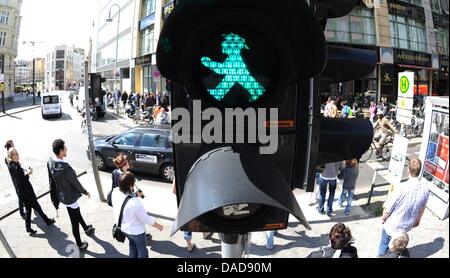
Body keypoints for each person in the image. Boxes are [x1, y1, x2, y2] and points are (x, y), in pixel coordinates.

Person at [47, 139, 95, 252]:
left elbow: (50, 180)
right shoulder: (65, 168)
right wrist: (85, 191)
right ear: (60, 151)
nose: (67, 149)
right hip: (70, 196)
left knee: (76, 212)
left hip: (62, 195)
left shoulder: (50, 161)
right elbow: (76, 183)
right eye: (65, 148)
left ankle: (86, 228)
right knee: (74, 222)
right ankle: (79, 244)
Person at [377, 158, 430, 257]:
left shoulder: (401, 187)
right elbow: (422, 207)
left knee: (383, 246)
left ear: (408, 170)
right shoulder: (425, 189)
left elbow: (388, 208)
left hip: (392, 225)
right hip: (407, 225)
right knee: (398, 246)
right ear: (420, 171)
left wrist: (383, 218)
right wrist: (417, 220)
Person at [112, 172, 164, 258]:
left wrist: (135, 194)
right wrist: (158, 226)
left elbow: (125, 197)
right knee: (142, 250)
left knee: (132, 246)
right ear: (131, 186)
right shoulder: (135, 203)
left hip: (123, 228)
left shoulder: (115, 192)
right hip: (137, 232)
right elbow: (146, 218)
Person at [7, 148, 55, 235]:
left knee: (28, 209)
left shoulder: (12, 164)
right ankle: (47, 220)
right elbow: (21, 181)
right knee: (37, 206)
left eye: (17, 152)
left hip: (22, 192)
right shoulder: (16, 167)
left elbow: (19, 177)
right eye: (16, 153)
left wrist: (24, 172)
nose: (18, 154)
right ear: (12, 156)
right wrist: (28, 173)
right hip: (26, 192)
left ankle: (28, 227)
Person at [4, 140, 26, 219]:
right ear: (10, 145)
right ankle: (22, 213)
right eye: (13, 143)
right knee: (20, 196)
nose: (14, 144)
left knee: (21, 194)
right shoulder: (8, 156)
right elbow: (12, 167)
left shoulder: (11, 153)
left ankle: (25, 207)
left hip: (16, 177)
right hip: (15, 178)